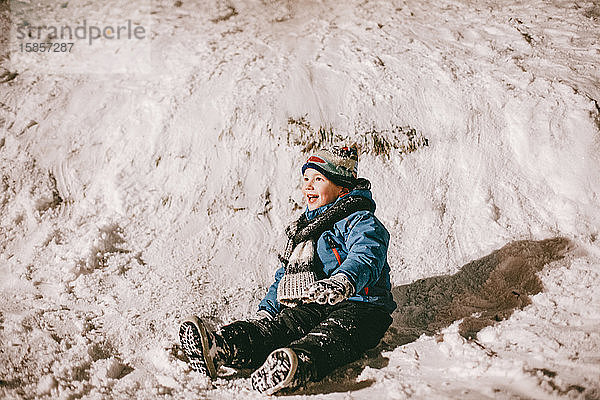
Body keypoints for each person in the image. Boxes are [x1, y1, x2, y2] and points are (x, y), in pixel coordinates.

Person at [179, 146, 396, 395]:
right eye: (306, 179)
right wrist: (266, 312)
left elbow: (367, 253)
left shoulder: (359, 220)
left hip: (363, 306)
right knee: (281, 327)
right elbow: (285, 276)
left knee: (332, 335)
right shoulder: (304, 230)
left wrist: (343, 280)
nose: (308, 186)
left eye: (318, 179)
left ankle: (296, 364)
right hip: (316, 302)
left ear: (342, 188)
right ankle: (222, 346)